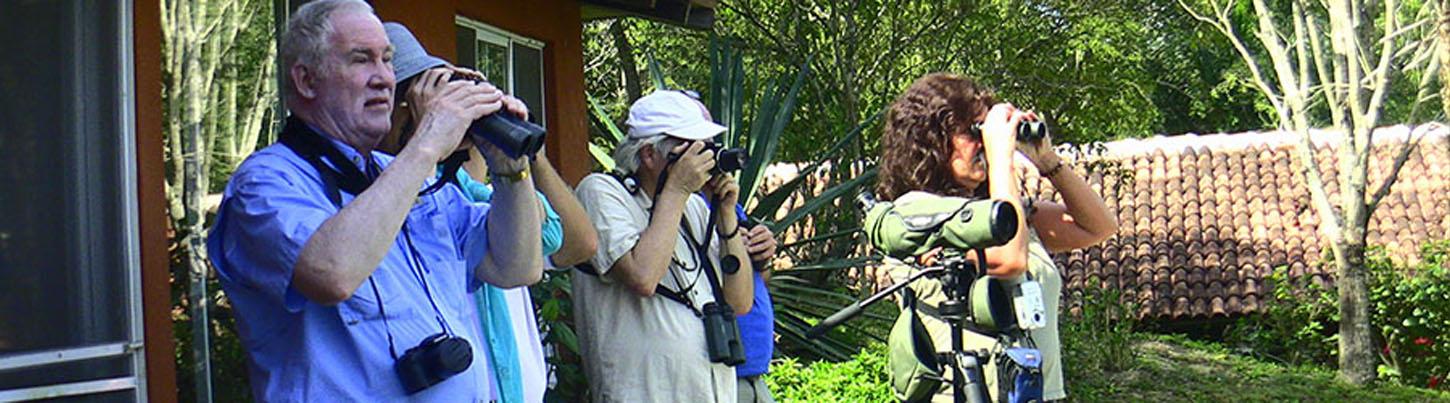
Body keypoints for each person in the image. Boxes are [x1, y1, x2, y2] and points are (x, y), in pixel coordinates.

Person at [206, 1, 543, 400]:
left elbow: (515, 267)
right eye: (361, 59)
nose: (384, 78)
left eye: (387, 59)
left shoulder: (399, 175)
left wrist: (510, 169)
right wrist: (427, 143)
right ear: (307, 81)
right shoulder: (265, 183)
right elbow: (331, 273)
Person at [378, 22, 598, 403]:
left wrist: (515, 147)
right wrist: (429, 139)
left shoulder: (461, 191)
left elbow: (563, 242)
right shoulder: (368, 192)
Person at [875, 73, 1118, 402]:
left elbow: (1098, 227)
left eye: (985, 131)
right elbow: (1009, 261)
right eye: (972, 131)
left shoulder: (1001, 211)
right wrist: (1001, 157)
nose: (983, 143)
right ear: (932, 141)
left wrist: (1047, 160)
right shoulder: (913, 214)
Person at [573, 90, 755, 402]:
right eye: (693, 148)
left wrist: (726, 215)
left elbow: (739, 303)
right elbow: (643, 277)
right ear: (649, 154)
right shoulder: (601, 192)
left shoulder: (693, 207)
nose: (706, 158)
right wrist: (677, 189)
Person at [736, 220, 778, 403]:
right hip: (716, 376)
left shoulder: (734, 211)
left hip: (756, 377)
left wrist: (762, 260)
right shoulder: (688, 210)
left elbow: (759, 280)